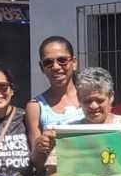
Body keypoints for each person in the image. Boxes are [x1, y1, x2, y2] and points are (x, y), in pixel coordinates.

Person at [26, 36, 83, 168]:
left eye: (62, 60)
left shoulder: (91, 99)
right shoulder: (35, 106)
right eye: (48, 63)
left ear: (74, 62)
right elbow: (37, 162)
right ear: (42, 67)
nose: (56, 67)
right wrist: (40, 147)